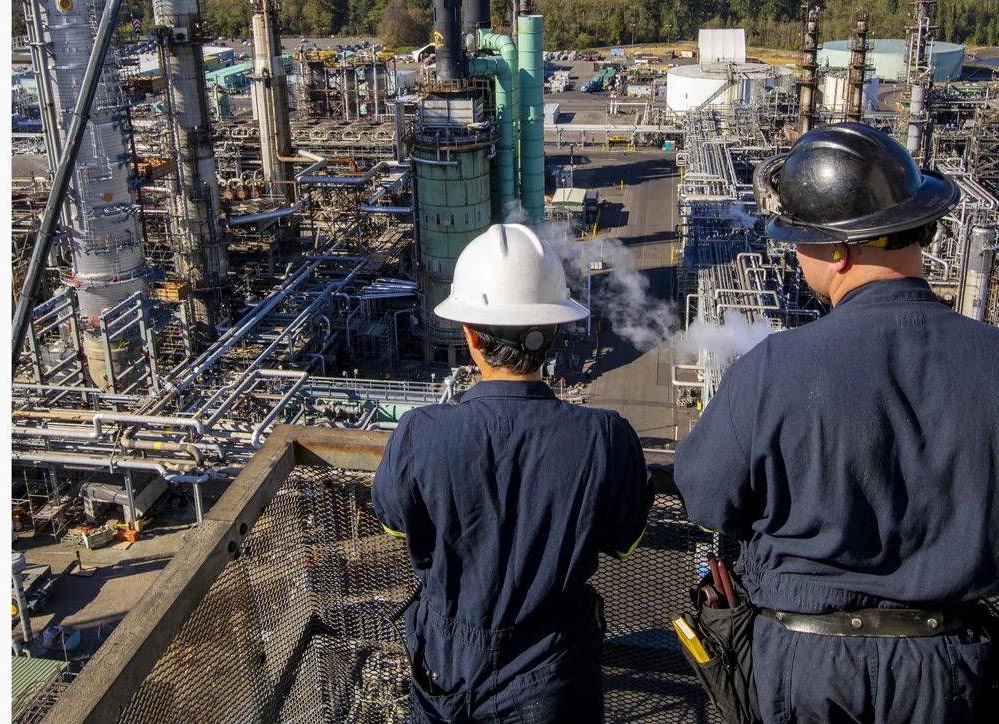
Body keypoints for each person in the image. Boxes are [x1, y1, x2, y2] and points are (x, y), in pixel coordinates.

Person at [677, 121, 996, 724]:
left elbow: (704, 496)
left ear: (839, 249)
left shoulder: (775, 368)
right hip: (948, 667)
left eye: (799, 239)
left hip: (808, 665)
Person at [373, 224, 651, 724]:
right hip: (554, 671)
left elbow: (396, 522)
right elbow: (622, 539)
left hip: (446, 670)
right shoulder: (606, 437)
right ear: (554, 331)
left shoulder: (419, 433)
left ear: (471, 335)